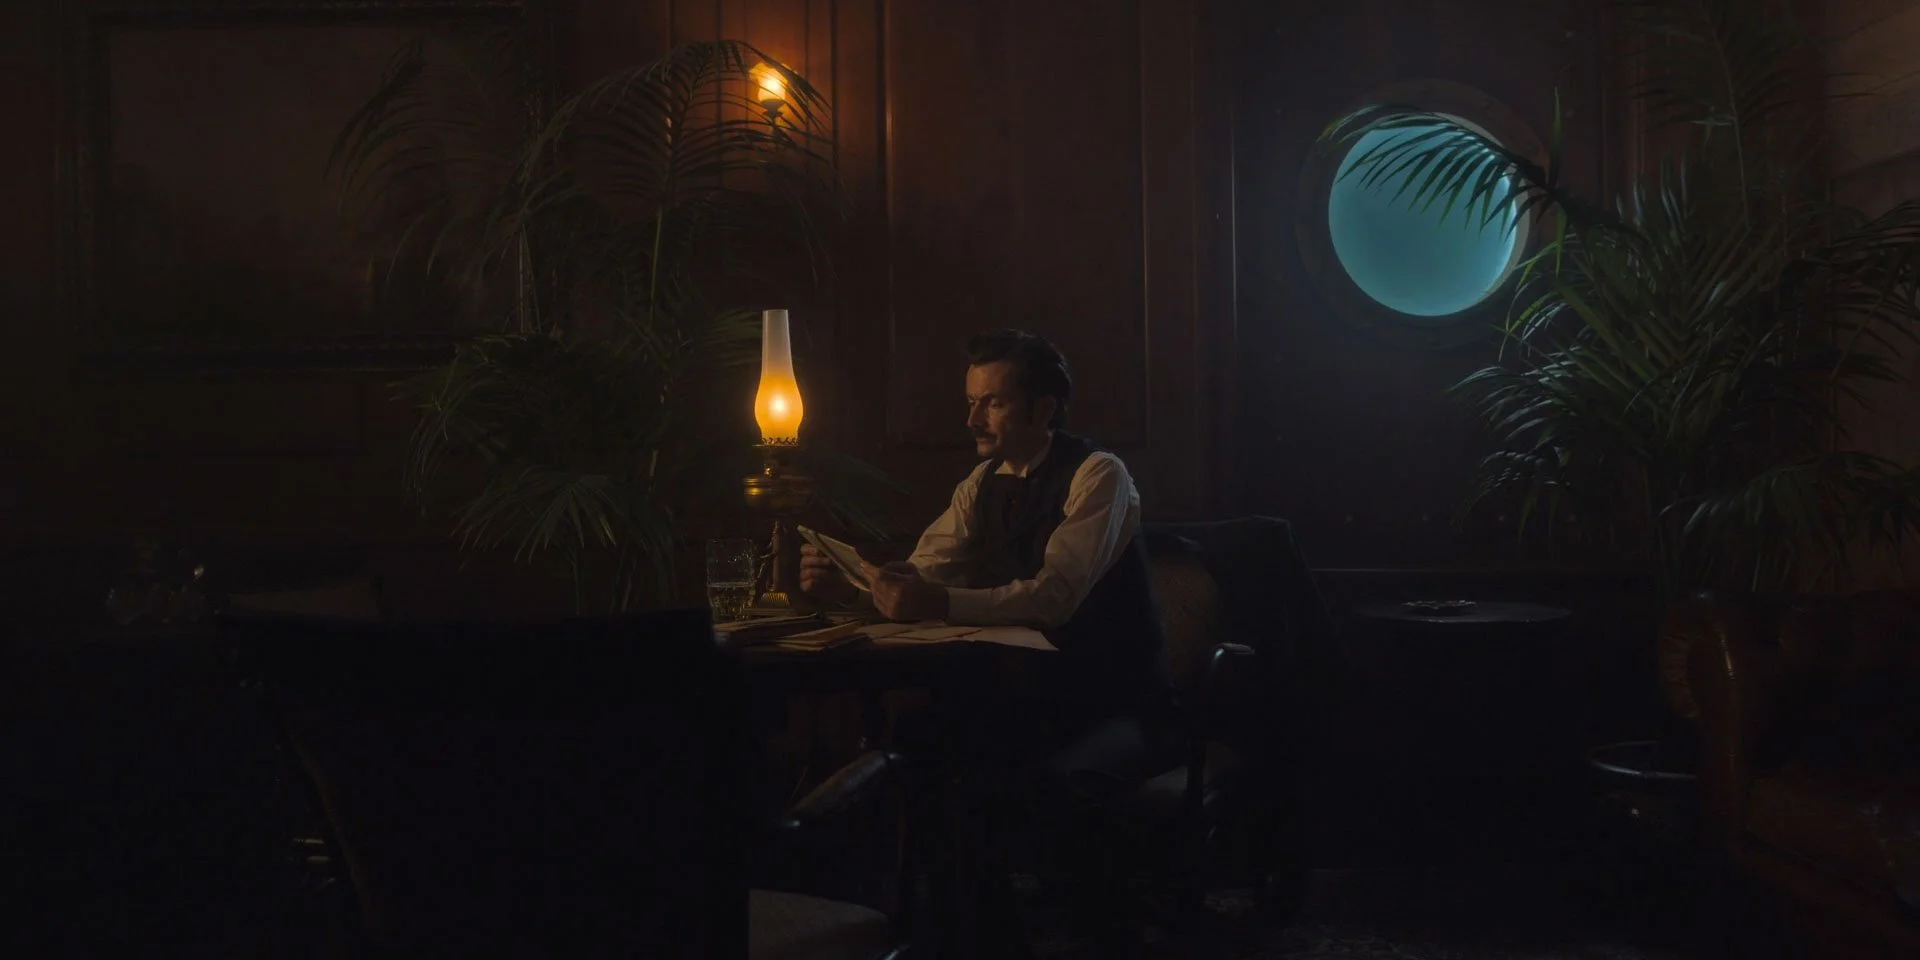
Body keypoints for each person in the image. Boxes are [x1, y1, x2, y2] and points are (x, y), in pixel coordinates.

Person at [799, 329, 1174, 951]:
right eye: (971, 402)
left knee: (1049, 781)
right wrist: (857, 588)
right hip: (1033, 697)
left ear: (1043, 409)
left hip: (1114, 700)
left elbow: (1053, 597)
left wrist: (933, 600)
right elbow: (926, 572)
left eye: (992, 403)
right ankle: (976, 933)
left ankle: (1099, 938)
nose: (972, 419)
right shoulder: (981, 483)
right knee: (919, 740)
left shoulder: (1098, 475)